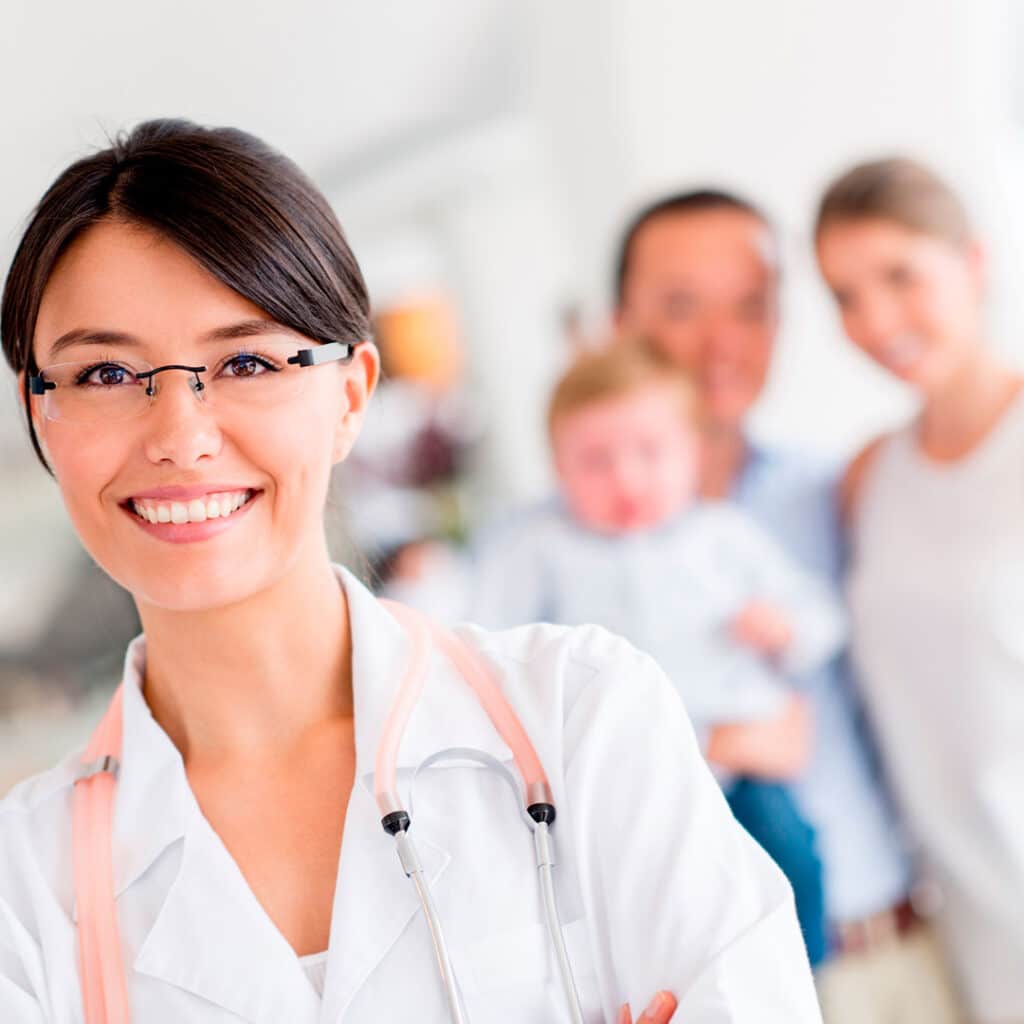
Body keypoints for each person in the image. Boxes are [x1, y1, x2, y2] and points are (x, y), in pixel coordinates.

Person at [0, 120, 821, 1024]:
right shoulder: (23, 891)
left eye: (245, 361)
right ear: (40, 418)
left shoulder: (581, 715)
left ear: (350, 395)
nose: (180, 436)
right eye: (107, 373)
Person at [614, 189, 962, 1022]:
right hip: (716, 990)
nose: (721, 342)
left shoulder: (841, 491)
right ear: (622, 320)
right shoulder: (554, 552)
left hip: (892, 955)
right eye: (682, 306)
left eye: (752, 307)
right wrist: (715, 744)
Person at [472, 340, 847, 964]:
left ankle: (802, 980)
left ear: (693, 454)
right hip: (624, 768)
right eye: (594, 461)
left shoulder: (721, 536)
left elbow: (819, 617)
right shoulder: (542, 550)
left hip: (741, 762)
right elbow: (486, 642)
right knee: (640, 901)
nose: (626, 478)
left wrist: (784, 627)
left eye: (650, 453)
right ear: (559, 469)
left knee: (791, 857)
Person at [816, 157, 1024, 1024]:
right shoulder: (868, 477)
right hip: (966, 917)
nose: (876, 320)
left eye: (901, 276)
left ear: (972, 262)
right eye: (846, 296)